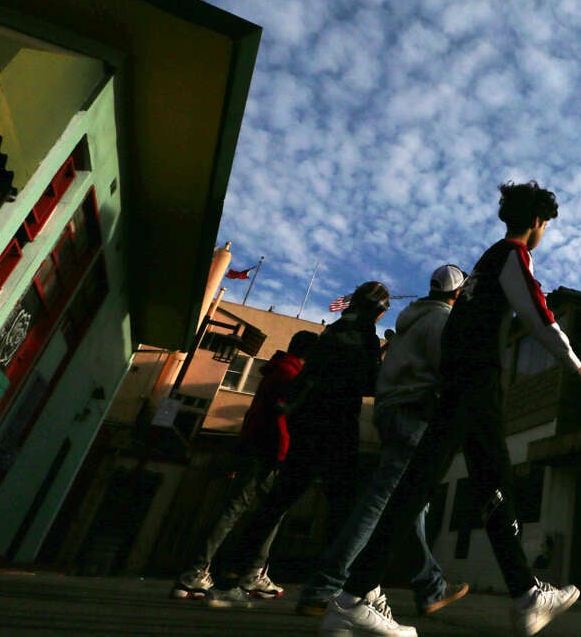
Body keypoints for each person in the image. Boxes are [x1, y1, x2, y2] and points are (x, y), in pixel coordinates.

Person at [320, 181, 581, 637]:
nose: (544, 232)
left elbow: (456, 334)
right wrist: (578, 367)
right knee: (420, 485)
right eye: (546, 224)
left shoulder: (480, 270)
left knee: (489, 483)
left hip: (461, 385)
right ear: (537, 223)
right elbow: (538, 314)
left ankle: (526, 594)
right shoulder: (512, 256)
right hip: (476, 386)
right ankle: (353, 597)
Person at [294, 265, 472, 620]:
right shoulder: (442, 322)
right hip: (414, 414)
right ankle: (324, 587)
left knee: (411, 505)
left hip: (391, 412)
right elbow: (448, 370)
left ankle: (430, 586)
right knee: (380, 503)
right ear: (457, 294)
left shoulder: (411, 321)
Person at [209, 281, 392, 606]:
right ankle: (330, 589)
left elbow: (309, 377)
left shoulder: (333, 331)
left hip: (306, 425)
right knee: (341, 511)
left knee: (275, 503)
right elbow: (367, 382)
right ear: (378, 309)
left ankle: (228, 577)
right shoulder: (362, 335)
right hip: (336, 427)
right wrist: (384, 361)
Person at [171, 329, 320, 600]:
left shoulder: (277, 371)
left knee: (240, 509)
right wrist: (283, 455)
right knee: (264, 512)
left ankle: (203, 571)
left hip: (255, 447)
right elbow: (281, 419)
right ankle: (238, 573)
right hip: (269, 452)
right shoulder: (290, 375)